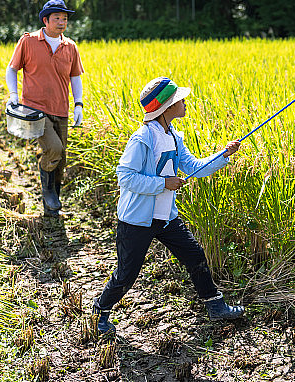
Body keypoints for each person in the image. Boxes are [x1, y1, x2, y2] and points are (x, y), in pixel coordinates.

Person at [92, 76, 245, 336]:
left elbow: (194, 168)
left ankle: (215, 305)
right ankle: (100, 310)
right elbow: (126, 177)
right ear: (166, 107)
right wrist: (163, 183)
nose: (184, 103)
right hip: (137, 220)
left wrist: (224, 155)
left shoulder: (173, 136)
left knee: (194, 254)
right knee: (127, 274)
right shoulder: (142, 139)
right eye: (179, 100)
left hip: (165, 217)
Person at [6, 0, 85, 218]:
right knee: (54, 149)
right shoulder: (29, 41)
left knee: (61, 159)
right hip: (34, 110)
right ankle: (48, 190)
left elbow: (75, 77)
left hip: (61, 108)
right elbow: (12, 70)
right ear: (46, 20)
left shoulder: (70, 46)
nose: (62, 22)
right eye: (57, 18)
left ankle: (51, 208)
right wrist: (13, 95)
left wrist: (78, 104)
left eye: (65, 18)